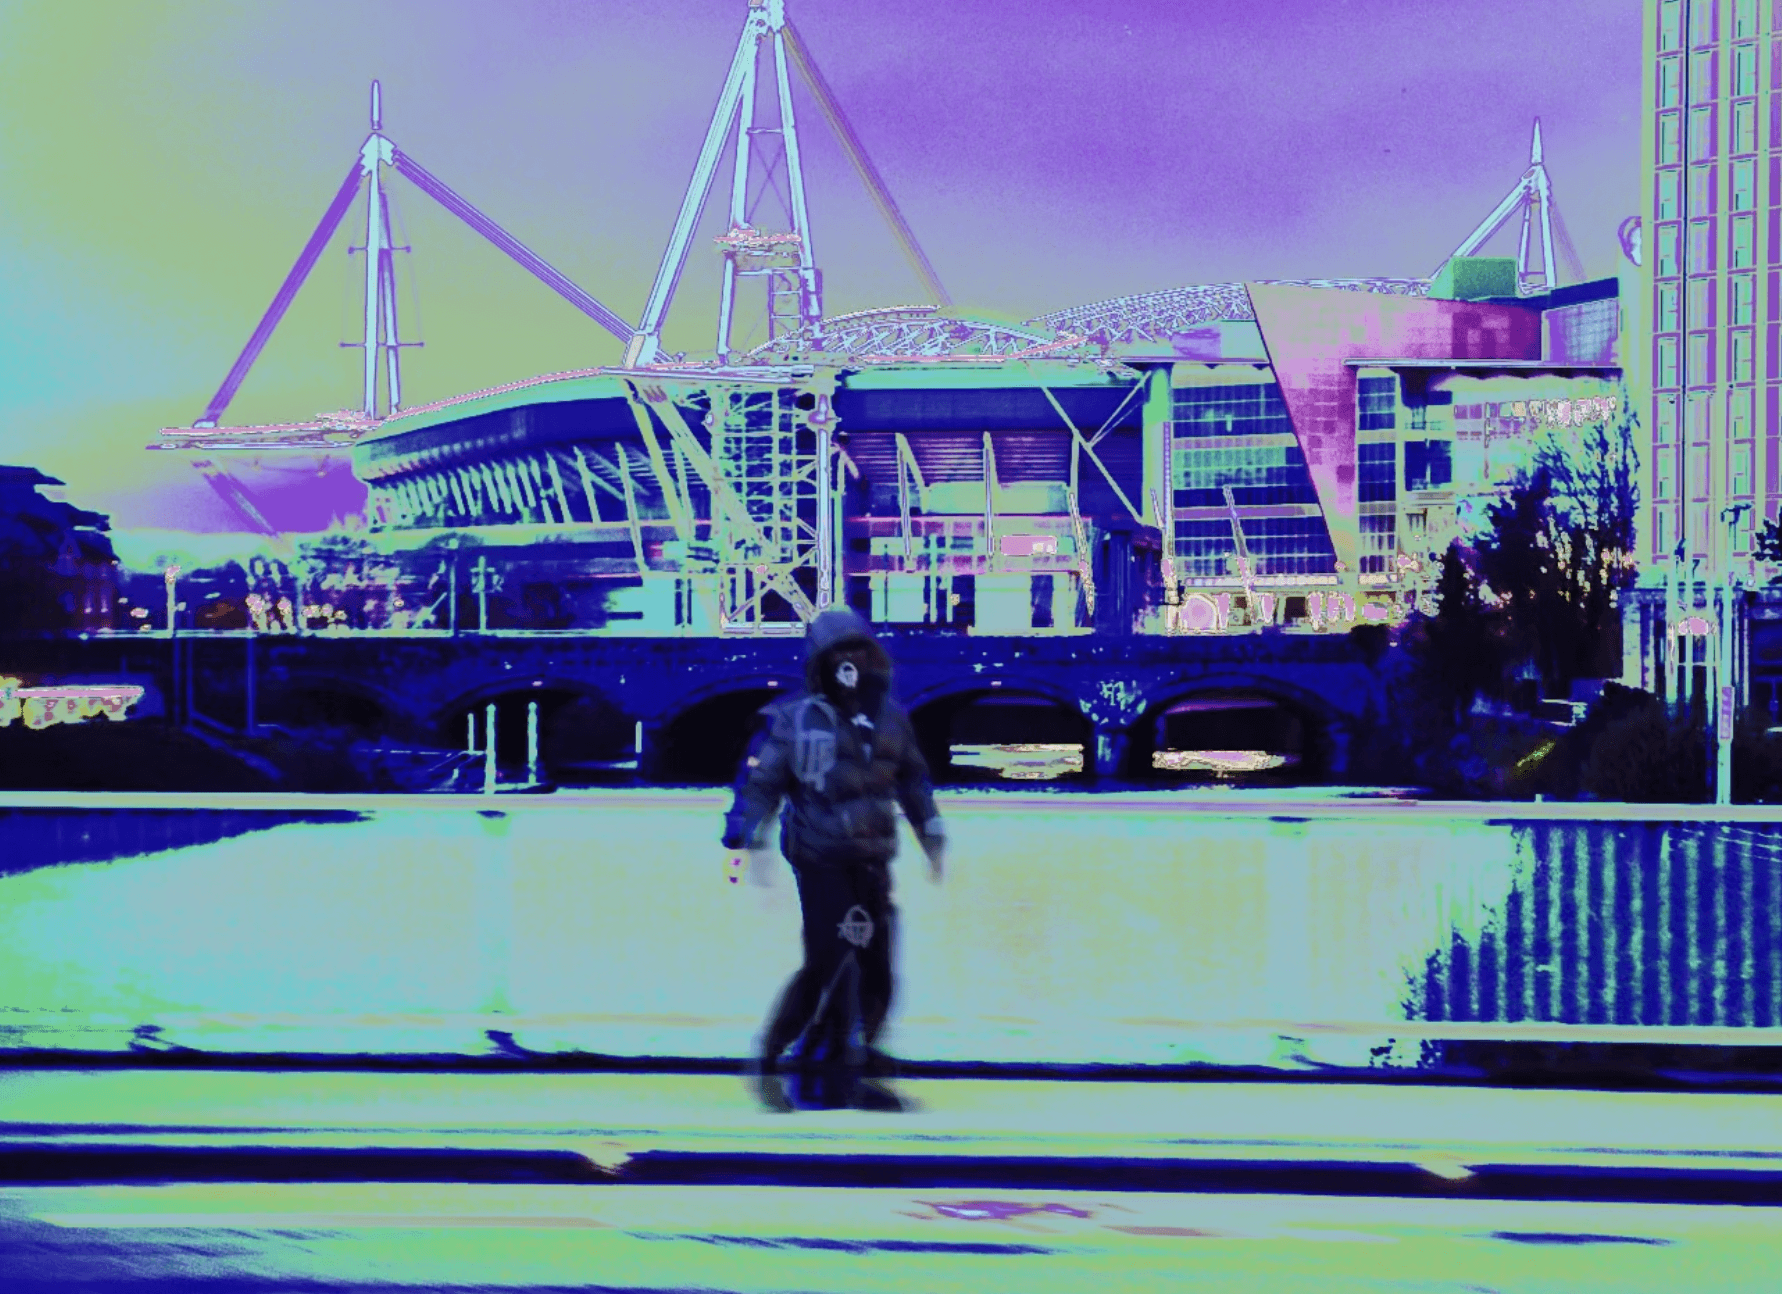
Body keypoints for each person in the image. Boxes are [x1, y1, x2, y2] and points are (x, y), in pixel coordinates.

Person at [722, 606, 945, 1112]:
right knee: (827, 963)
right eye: (838, 655)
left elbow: (913, 781)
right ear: (820, 663)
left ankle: (848, 1073)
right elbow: (761, 784)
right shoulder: (794, 719)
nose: (850, 664)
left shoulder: (890, 719)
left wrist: (930, 834)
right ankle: (771, 1061)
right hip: (821, 862)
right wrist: (740, 837)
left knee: (876, 971)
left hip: (871, 861)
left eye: (858, 652)